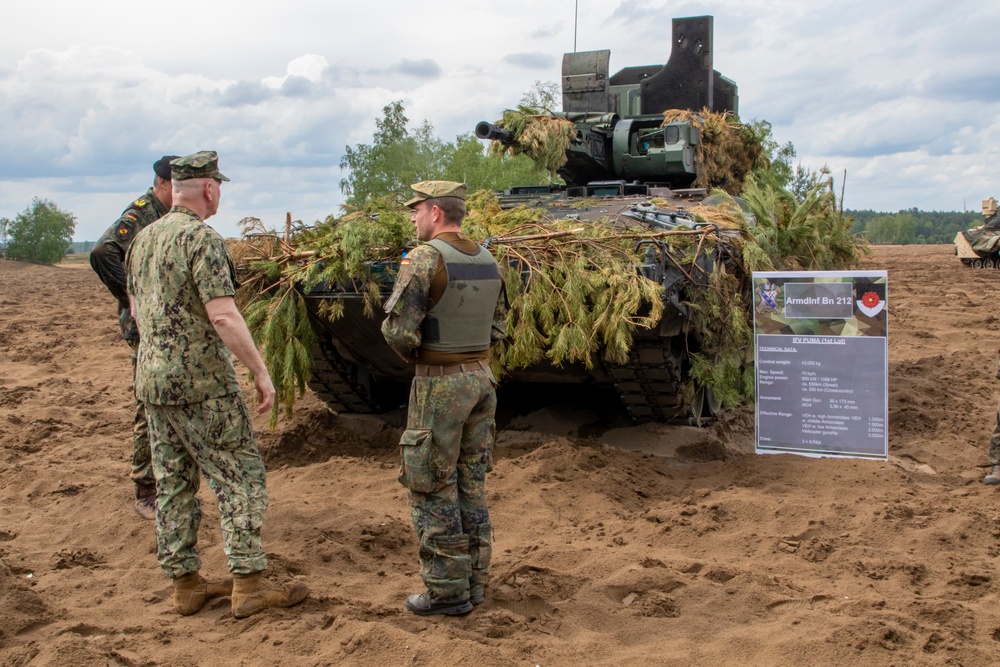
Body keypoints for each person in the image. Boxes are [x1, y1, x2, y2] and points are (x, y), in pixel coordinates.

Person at [125, 151, 309, 618]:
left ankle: (185, 585)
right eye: (219, 186)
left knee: (172, 484)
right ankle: (248, 584)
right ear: (209, 189)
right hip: (203, 386)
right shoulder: (202, 240)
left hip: (153, 384)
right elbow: (224, 314)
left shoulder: (142, 241)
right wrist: (260, 370)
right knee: (240, 478)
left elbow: (138, 313)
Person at [381, 180, 507, 616]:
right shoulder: (489, 259)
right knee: (472, 485)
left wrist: (422, 355)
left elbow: (397, 330)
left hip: (439, 385)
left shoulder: (424, 258)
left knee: (431, 486)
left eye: (416, 209)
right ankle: (475, 584)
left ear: (436, 212)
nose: (412, 217)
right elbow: (498, 327)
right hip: (481, 381)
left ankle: (446, 593)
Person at [90, 155, 178, 520]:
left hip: (163, 325)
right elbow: (101, 251)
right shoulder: (142, 213)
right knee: (148, 403)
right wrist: (133, 297)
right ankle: (146, 489)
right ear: (162, 184)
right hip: (143, 328)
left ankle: (165, 483)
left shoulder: (167, 216)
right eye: (178, 185)